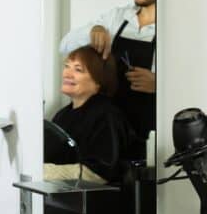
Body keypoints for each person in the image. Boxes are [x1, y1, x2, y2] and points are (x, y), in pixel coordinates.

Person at [59, 0, 156, 141]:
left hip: (149, 128)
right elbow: (64, 46)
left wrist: (158, 85)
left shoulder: (176, 28)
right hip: (109, 126)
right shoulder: (117, 18)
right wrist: (94, 30)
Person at [44, 46, 140, 184]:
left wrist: (46, 171)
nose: (67, 74)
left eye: (78, 70)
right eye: (67, 66)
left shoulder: (107, 116)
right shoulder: (62, 115)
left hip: (100, 202)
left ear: (98, 81)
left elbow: (98, 173)